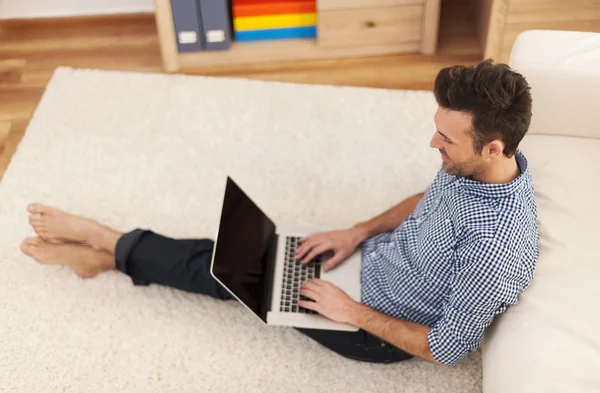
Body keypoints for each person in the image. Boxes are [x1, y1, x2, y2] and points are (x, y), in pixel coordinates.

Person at [20, 59, 539, 367]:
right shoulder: (479, 167)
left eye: (445, 139)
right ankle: (111, 255)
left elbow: (447, 348)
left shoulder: (495, 250)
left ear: (493, 147)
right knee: (248, 256)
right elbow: (429, 199)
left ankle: (109, 247)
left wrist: (348, 312)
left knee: (236, 269)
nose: (432, 144)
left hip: (374, 328)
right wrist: (358, 231)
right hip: (372, 262)